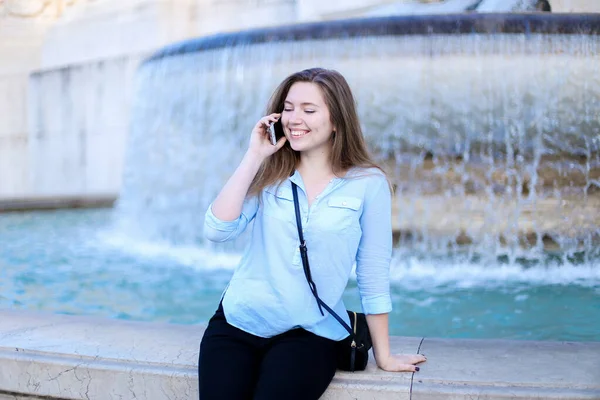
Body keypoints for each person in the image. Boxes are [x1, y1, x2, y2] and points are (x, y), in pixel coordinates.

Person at [198, 67, 426, 400]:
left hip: (309, 332)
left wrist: (384, 354)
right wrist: (255, 155)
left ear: (337, 120)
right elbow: (217, 230)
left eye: (308, 110)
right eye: (288, 108)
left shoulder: (369, 183)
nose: (294, 118)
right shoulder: (271, 171)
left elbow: (373, 271)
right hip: (238, 322)